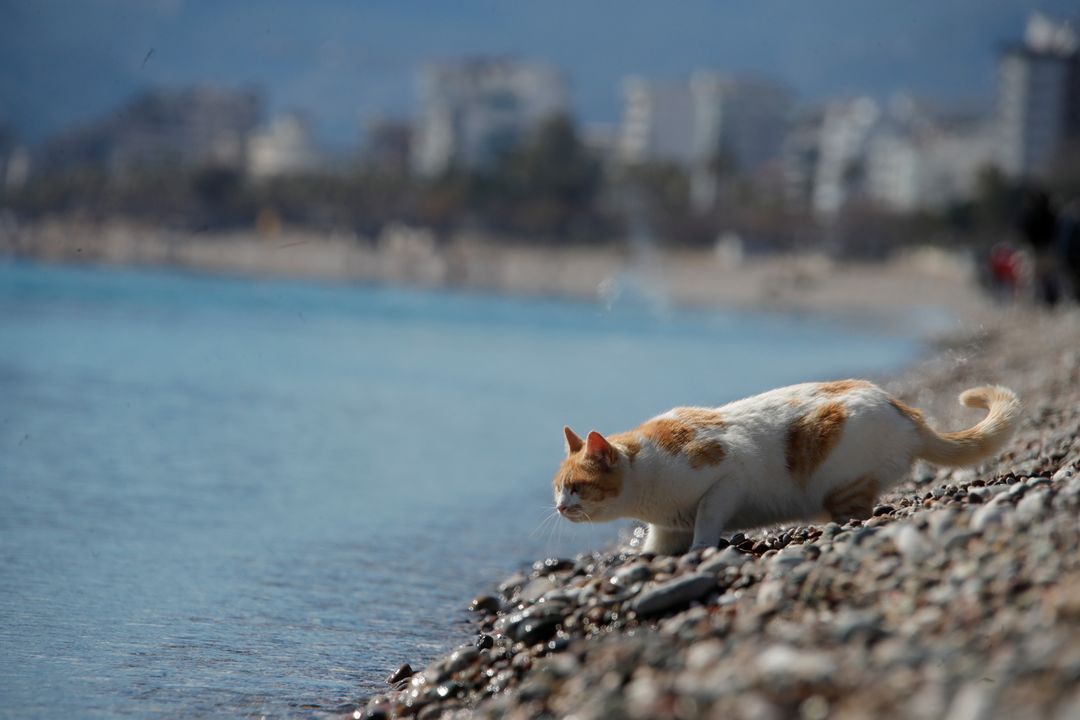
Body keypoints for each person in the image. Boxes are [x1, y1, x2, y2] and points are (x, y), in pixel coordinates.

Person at [1017, 188, 1061, 306]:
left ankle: (1041, 302)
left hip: (1036, 250)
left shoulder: (1032, 214)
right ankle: (1052, 301)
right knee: (1051, 278)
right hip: (1050, 249)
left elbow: (1025, 231)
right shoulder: (1052, 214)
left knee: (1038, 279)